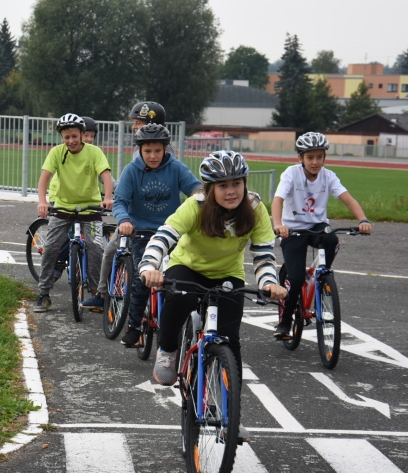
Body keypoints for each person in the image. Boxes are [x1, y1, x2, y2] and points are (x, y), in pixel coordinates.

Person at [139, 151, 287, 441]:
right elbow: (164, 236)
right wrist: (149, 267)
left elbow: (264, 255)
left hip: (228, 274)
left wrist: (270, 283)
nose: (230, 191)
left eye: (236, 183)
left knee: (231, 343)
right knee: (178, 297)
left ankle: (231, 417)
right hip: (188, 266)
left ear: (245, 183)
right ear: (209, 188)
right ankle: (168, 350)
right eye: (222, 185)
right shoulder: (194, 207)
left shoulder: (256, 210)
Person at [101, 123, 201, 347]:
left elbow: (196, 190)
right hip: (142, 233)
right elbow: (120, 202)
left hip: (173, 232)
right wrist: (125, 220)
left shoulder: (176, 168)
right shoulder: (131, 171)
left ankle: (179, 323)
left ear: (166, 149)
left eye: (158, 150)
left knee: (180, 279)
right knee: (142, 277)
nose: (153, 155)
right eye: (148, 151)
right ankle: (134, 327)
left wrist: (203, 196)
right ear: (140, 150)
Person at [271, 132, 372, 339]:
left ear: (324, 157)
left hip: (318, 226)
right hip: (293, 229)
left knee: (332, 239)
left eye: (319, 157)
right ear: (300, 158)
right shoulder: (291, 174)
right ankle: (285, 321)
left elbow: (348, 199)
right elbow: (278, 200)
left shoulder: (329, 176)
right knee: (296, 278)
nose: (315, 162)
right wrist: (279, 224)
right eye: (310, 157)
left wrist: (363, 220)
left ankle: (321, 275)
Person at [81, 101, 173, 312]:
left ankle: (102, 294)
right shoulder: (155, 148)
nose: (134, 127)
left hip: (144, 218)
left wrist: (120, 195)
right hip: (147, 216)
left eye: (138, 123)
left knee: (112, 252)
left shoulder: (153, 150)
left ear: (152, 124)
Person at [33, 113, 114, 313]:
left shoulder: (94, 152)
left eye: (74, 136)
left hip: (91, 207)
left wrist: (108, 198)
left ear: (82, 134)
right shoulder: (56, 152)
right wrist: (43, 202)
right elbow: (44, 179)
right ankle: (44, 293)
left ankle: (97, 291)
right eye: (66, 137)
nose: (71, 141)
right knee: (51, 246)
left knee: (96, 248)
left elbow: (106, 176)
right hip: (62, 207)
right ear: (62, 138)